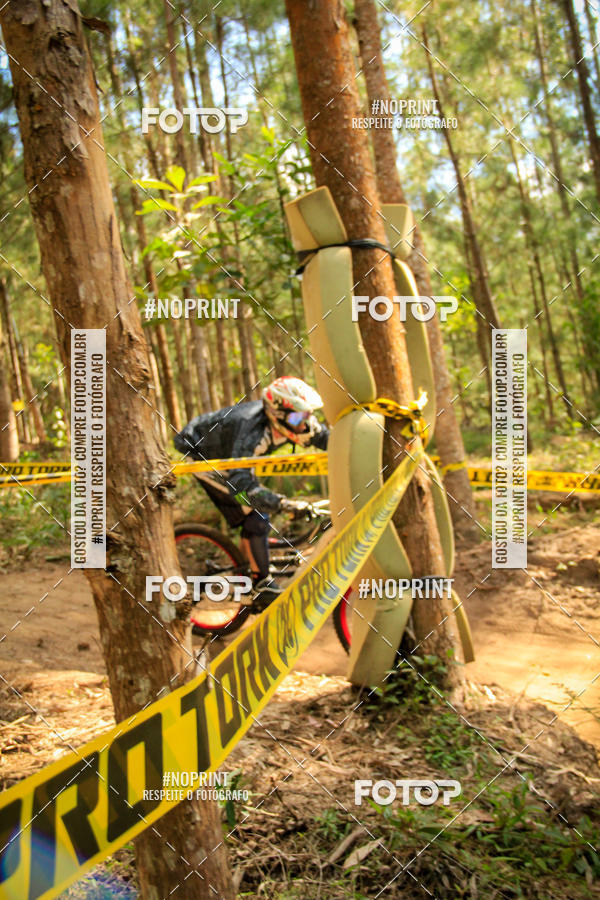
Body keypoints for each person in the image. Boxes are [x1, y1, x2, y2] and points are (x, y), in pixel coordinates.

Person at [174, 376, 329, 605]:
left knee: (255, 514)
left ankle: (248, 564)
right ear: (277, 415)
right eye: (299, 417)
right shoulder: (251, 431)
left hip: (234, 459)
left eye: (307, 415)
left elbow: (327, 438)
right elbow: (240, 485)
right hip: (207, 458)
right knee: (256, 515)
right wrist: (281, 503)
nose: (304, 423)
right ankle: (261, 583)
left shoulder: (294, 420)